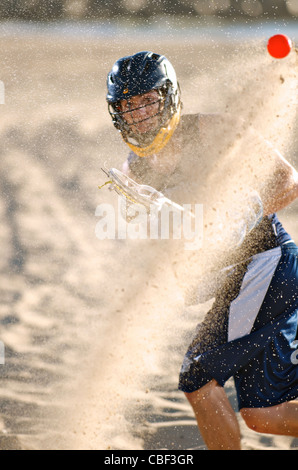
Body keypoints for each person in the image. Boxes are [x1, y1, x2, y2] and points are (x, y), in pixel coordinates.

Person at [106, 51, 298, 450]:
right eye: (128, 105)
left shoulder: (211, 130)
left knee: (197, 376)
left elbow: (288, 180)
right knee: (261, 416)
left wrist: (242, 214)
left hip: (266, 264)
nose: (139, 113)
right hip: (238, 280)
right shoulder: (134, 168)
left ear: (170, 98)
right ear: (116, 113)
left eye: (148, 100)